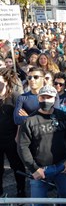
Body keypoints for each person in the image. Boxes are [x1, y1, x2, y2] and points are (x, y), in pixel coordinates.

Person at [17, 85, 66, 204]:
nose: (46, 100)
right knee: (38, 203)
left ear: (55, 99)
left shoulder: (63, 117)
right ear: (38, 98)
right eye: (43, 97)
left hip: (62, 167)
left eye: (49, 97)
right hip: (39, 169)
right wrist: (33, 168)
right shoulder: (29, 121)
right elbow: (22, 147)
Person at [0, 68, 26, 197]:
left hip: (12, 139)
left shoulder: (15, 97)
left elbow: (20, 118)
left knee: (17, 167)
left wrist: (18, 137)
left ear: (5, 81)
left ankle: (21, 191)